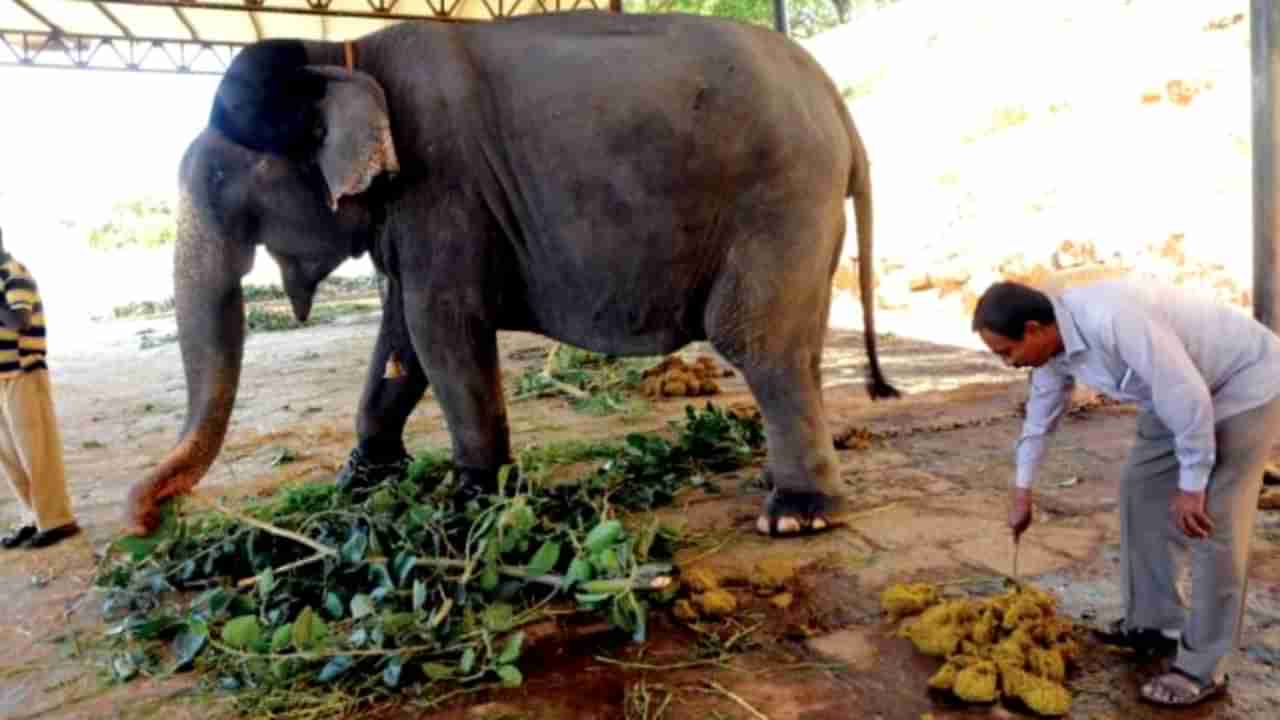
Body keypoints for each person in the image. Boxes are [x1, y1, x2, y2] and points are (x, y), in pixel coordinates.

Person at [972, 278, 1280, 708]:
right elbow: (1040, 417)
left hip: (1241, 381)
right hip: (1173, 392)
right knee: (1141, 490)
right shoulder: (1051, 351)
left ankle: (1202, 667)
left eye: (1006, 352)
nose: (1008, 364)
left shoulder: (1113, 319)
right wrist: (1022, 490)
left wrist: (1192, 484)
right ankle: (1154, 625)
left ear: (1033, 329)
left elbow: (1188, 396)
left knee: (1211, 520)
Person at [0, 224, 78, 549]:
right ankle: (33, 517)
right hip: (2, 377)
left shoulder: (13, 274)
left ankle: (58, 519)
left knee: (37, 451)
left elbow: (19, 321)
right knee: (11, 456)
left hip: (23, 373)